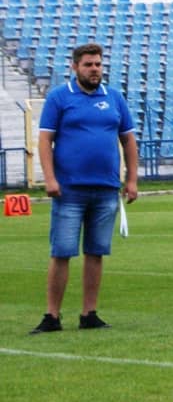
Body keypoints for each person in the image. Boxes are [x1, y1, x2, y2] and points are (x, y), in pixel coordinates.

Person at [30, 43, 139, 334]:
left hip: (105, 189)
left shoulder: (114, 97)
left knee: (96, 252)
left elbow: (128, 140)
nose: (94, 69)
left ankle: (89, 313)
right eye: (89, 64)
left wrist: (131, 180)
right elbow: (45, 140)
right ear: (75, 67)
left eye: (98, 64)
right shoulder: (59, 97)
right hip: (69, 190)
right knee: (62, 251)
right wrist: (50, 178)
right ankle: (52, 316)